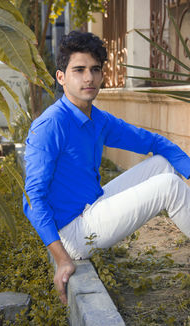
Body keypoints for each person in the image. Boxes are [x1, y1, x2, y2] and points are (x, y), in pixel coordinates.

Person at [23, 31, 190, 305]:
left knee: (162, 163)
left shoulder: (98, 119)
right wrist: (62, 259)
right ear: (61, 77)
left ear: (102, 75)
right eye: (78, 70)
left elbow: (150, 141)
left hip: (92, 206)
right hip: (72, 234)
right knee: (169, 186)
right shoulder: (51, 125)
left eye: (95, 70)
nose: (88, 78)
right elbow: (31, 199)